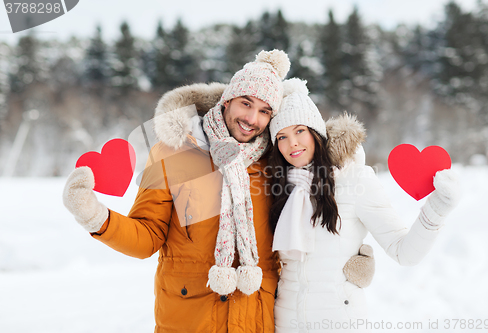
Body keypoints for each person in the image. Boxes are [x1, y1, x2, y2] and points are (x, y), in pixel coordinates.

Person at [62, 50, 373, 332]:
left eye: (265, 111)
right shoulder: (172, 152)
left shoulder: (276, 162)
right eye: (246, 104)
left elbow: (311, 222)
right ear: (228, 100)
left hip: (256, 318)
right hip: (189, 319)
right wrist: (95, 216)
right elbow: (146, 237)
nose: (252, 119)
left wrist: (348, 261)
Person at [268, 79, 461, 333]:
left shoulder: (355, 180)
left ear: (316, 132)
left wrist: (437, 209)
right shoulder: (280, 188)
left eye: (300, 131)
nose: (292, 142)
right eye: (282, 136)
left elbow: (405, 252)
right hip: (286, 323)